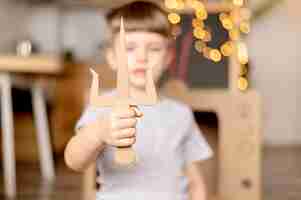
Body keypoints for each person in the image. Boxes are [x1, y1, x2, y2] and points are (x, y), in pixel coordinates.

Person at [64, 1, 213, 200]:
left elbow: (195, 181)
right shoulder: (103, 109)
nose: (142, 57)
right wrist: (98, 133)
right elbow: (74, 161)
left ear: (168, 57)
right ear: (112, 57)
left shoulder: (181, 113)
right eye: (130, 48)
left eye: (153, 49)